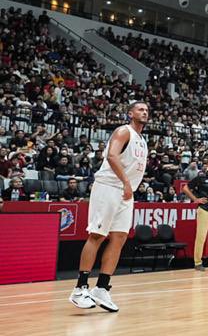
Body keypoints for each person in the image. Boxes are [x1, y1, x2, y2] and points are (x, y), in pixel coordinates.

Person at [70, 100, 150, 313]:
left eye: (147, 110)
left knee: (120, 237)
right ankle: (80, 288)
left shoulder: (142, 140)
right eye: (140, 109)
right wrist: (125, 182)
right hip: (109, 186)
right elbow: (112, 156)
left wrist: (128, 186)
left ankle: (102, 288)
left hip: (126, 192)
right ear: (130, 112)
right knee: (97, 234)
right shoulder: (124, 132)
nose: (144, 112)